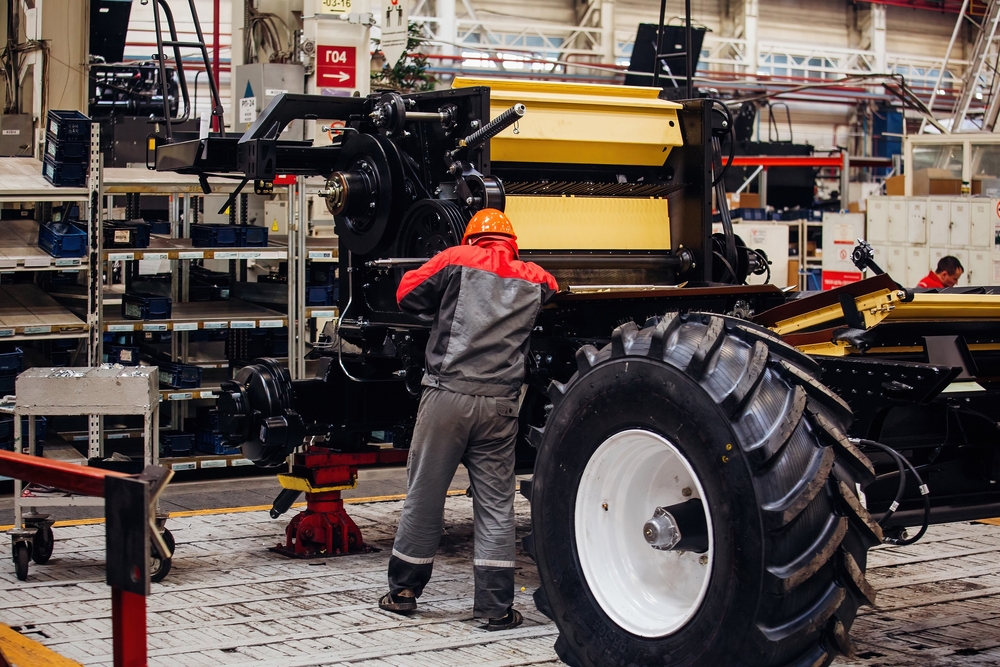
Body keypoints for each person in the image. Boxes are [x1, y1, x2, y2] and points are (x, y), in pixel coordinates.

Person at [378, 208, 558, 630]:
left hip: (448, 397)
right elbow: (553, 290)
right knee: (496, 506)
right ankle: (495, 608)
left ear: (472, 237)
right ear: (512, 243)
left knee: (425, 495)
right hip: (501, 405)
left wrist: (443, 307)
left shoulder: (455, 258)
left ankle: (404, 592)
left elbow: (406, 293)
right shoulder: (536, 277)